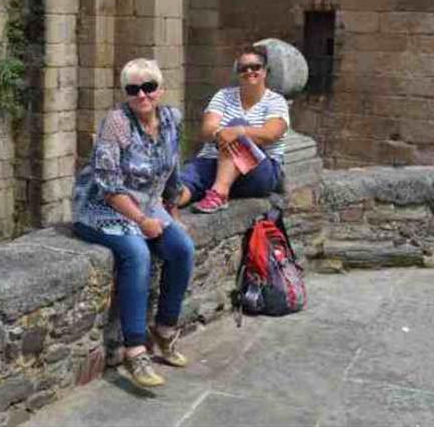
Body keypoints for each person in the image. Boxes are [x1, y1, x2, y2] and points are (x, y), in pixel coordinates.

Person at [72, 58, 195, 388]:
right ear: (126, 93)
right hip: (101, 209)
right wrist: (142, 221)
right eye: (133, 89)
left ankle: (165, 330)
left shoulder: (171, 119)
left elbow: (173, 170)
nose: (142, 94)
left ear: (161, 89)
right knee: (137, 254)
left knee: (182, 248)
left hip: (148, 205)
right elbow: (109, 189)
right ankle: (135, 350)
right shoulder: (116, 123)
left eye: (149, 87)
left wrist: (173, 213)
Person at [178, 46, 289, 213]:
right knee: (181, 185)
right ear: (238, 73)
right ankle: (161, 210)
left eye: (255, 67)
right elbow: (207, 129)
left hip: (258, 173)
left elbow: (271, 134)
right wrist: (220, 133)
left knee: (236, 124)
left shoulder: (276, 101)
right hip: (213, 163)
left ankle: (220, 193)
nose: (249, 71)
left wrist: (238, 132)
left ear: (265, 71)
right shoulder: (223, 96)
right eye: (243, 68)